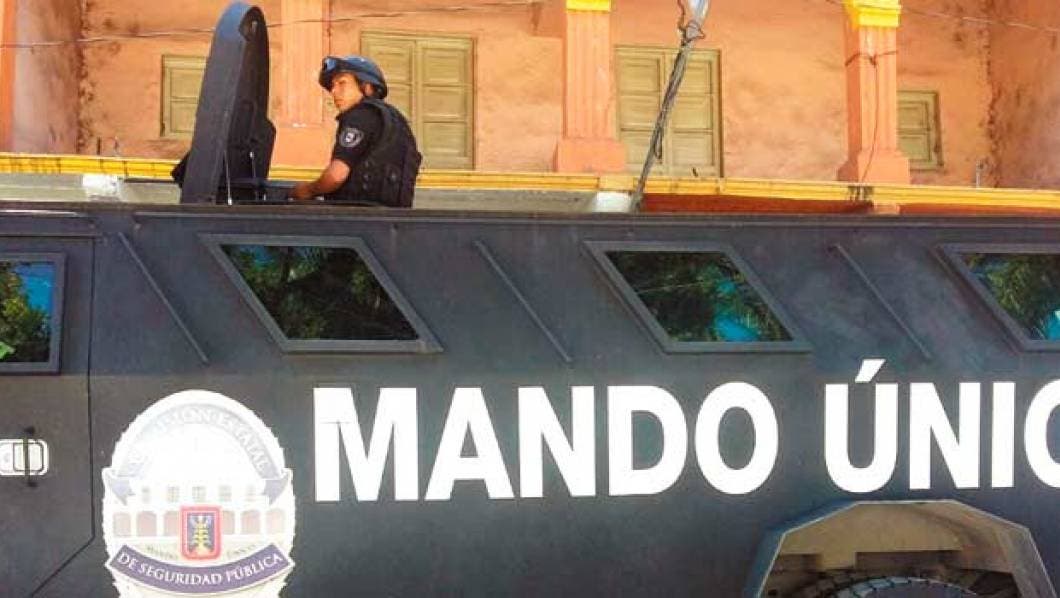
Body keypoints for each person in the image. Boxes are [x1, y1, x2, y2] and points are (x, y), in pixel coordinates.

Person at [289, 55, 421, 206]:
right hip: (391, 216)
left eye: (342, 83)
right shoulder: (395, 121)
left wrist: (307, 190)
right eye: (332, 86)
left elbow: (336, 176)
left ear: (367, 87)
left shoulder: (360, 115)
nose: (334, 91)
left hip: (357, 214)